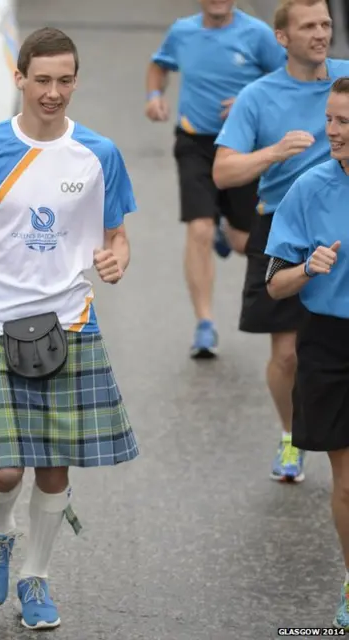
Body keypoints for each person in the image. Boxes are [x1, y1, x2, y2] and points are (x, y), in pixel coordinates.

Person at [0, 27, 139, 631]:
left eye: (65, 80)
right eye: (42, 80)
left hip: (68, 320)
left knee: (53, 467)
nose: (54, 93)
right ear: (18, 78)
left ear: (76, 80)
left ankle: (36, 577)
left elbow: (116, 234)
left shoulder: (99, 153)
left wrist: (117, 258)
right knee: (7, 468)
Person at [212, 0, 349, 483]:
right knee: (287, 353)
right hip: (283, 224)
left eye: (326, 24)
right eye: (308, 26)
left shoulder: (345, 80)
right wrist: (273, 152)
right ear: (282, 38)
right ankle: (292, 436)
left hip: (342, 216)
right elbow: (224, 170)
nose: (320, 34)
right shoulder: (258, 96)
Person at [145, 0, 286, 358]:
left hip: (243, 147)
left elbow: (286, 78)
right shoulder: (182, 31)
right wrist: (154, 96)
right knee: (199, 228)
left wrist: (248, 99)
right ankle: (204, 323)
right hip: (195, 142)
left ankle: (227, 229)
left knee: (245, 243)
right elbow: (159, 66)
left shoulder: (257, 34)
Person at [264, 76, 349, 630]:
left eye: (345, 123)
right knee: (348, 481)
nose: (334, 131)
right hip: (331, 341)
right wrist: (307, 268)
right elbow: (274, 285)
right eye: (332, 120)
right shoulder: (309, 187)